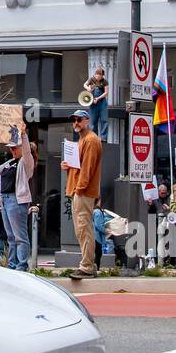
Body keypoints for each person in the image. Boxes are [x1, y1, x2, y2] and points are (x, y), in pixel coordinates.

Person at [0, 125, 39, 271]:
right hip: (5, 199)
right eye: (11, 148)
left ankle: (21, 265)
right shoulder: (10, 162)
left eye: (14, 148)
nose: (11, 150)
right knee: (11, 236)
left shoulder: (25, 163)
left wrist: (23, 135)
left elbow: (26, 152)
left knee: (19, 236)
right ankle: (12, 265)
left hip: (16, 200)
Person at [61, 109, 103, 279]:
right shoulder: (82, 140)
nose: (76, 123)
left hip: (83, 191)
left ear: (87, 120)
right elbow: (81, 167)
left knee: (84, 228)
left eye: (79, 119)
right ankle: (89, 263)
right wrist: (68, 166)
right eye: (74, 120)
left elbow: (87, 168)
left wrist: (79, 188)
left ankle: (87, 265)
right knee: (81, 229)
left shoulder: (91, 140)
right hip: (78, 190)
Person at [84, 66, 109, 140]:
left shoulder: (104, 81)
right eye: (96, 74)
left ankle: (103, 137)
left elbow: (106, 93)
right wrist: (88, 88)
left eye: (99, 75)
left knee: (104, 120)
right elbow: (84, 84)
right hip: (93, 102)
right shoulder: (91, 79)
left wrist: (98, 98)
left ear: (102, 75)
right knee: (93, 121)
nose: (97, 76)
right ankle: (94, 137)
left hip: (102, 103)